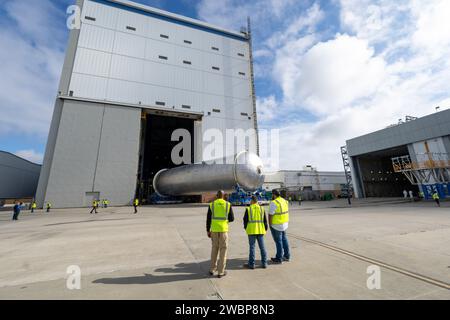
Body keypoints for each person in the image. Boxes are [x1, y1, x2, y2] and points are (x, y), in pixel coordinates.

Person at [206, 190, 234, 278]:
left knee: (214, 249)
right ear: (223, 196)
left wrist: (208, 230)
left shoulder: (212, 204)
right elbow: (232, 218)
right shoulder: (228, 204)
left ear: (217, 196)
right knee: (223, 250)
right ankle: (221, 272)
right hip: (223, 230)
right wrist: (224, 221)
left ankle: (212, 269)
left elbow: (208, 219)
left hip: (214, 230)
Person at [243, 196, 268, 269]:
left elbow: (245, 220)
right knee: (262, 247)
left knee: (252, 247)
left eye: (250, 200)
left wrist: (246, 228)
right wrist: (265, 229)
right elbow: (265, 220)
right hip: (260, 230)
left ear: (252, 201)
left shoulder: (248, 209)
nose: (249, 202)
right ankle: (264, 263)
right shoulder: (262, 208)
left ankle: (252, 264)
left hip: (251, 230)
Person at [268, 189, 290, 264]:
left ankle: (279, 258)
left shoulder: (274, 202)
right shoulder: (284, 200)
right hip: (284, 223)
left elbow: (270, 214)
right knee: (284, 240)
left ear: (274, 194)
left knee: (278, 241)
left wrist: (270, 224)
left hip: (276, 225)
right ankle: (287, 256)